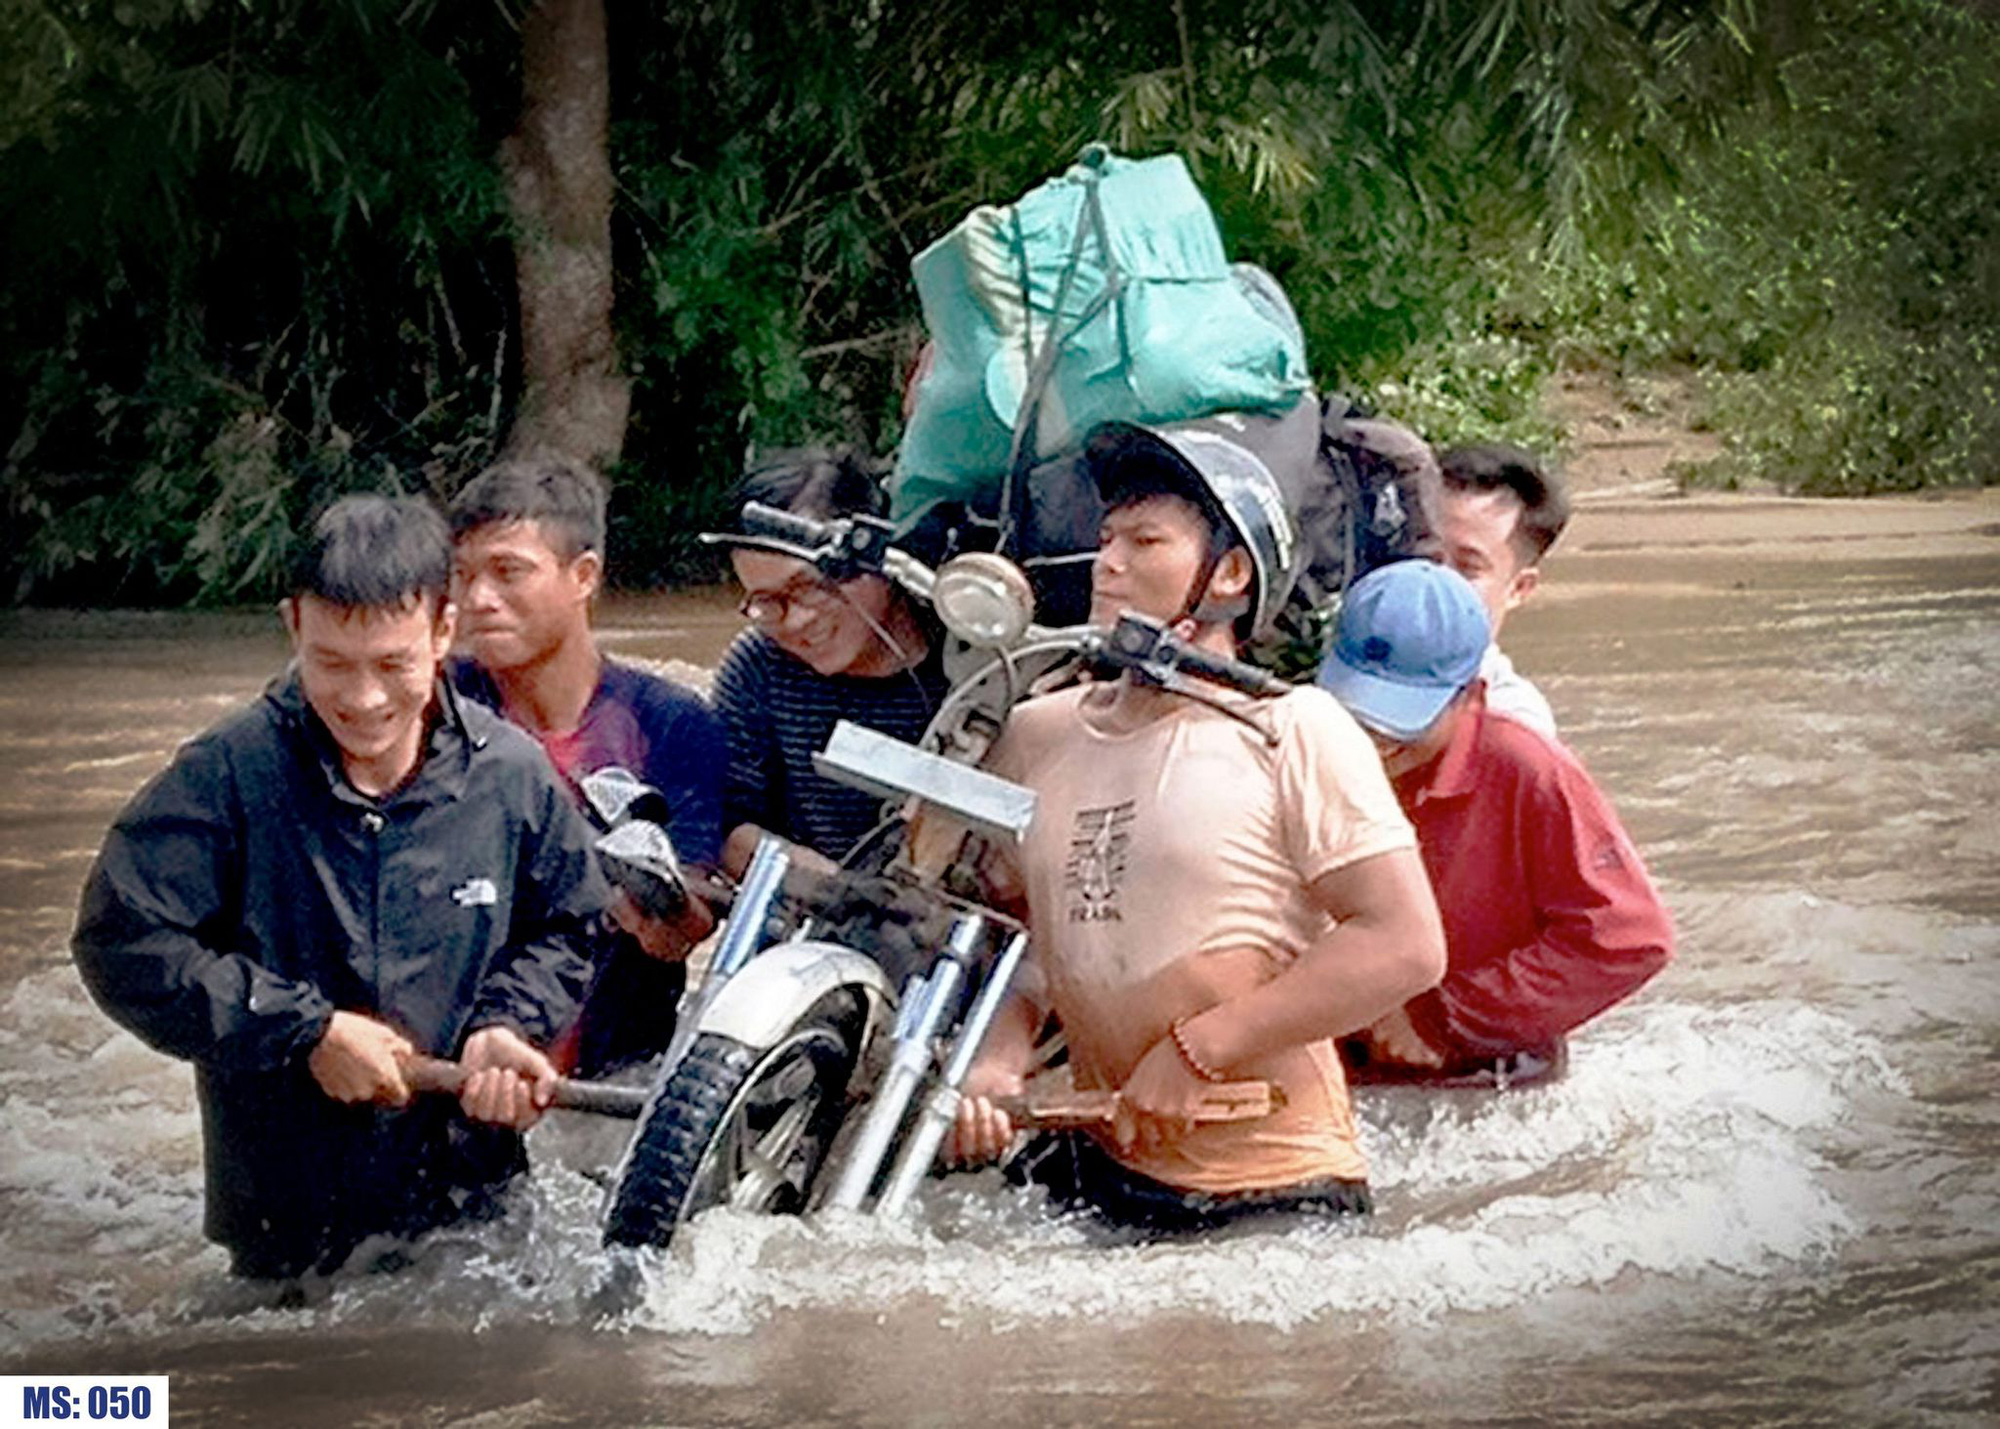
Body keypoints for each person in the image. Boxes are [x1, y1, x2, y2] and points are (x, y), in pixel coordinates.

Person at [71, 496, 613, 1281]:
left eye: (394, 664)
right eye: (332, 663)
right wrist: (306, 1031)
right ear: (294, 625)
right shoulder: (226, 774)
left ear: (442, 631)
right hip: (286, 1229)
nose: (364, 700)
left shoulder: (513, 776)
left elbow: (570, 924)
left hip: (476, 1221)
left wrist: (508, 1024)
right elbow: (122, 939)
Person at [947, 420, 1447, 1235]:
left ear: (1230, 574)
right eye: (1105, 538)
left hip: (1274, 1181)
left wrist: (1201, 1047)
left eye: (1146, 540)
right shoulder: (1039, 732)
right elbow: (1026, 929)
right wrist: (999, 1056)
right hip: (1100, 1160)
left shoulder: (1295, 728)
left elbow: (1405, 943)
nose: (1108, 562)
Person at [1317, 559, 1674, 1084]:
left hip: (1485, 1070)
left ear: (1470, 695)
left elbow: (1627, 939)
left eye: (1400, 719)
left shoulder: (1528, 769)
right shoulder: (1308, 744)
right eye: (1359, 713)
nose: (1376, 738)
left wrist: (1444, 1017)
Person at [448, 457, 724, 1075]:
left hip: (606, 1071)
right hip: (459, 1062)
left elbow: (687, 925)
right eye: (462, 576)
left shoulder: (672, 724)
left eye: (507, 573)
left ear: (584, 576)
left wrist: (660, 908)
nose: (477, 600)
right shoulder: (434, 707)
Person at [709, 448, 952, 873]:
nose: (797, 621)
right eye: (768, 603)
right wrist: (839, 892)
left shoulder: (972, 669)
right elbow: (729, 825)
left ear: (876, 552)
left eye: (810, 587)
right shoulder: (758, 667)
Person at [1434, 442, 1570, 736]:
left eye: (1466, 569)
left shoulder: (1514, 725)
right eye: (1425, 557)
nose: (1434, 582)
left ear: (1518, 588)